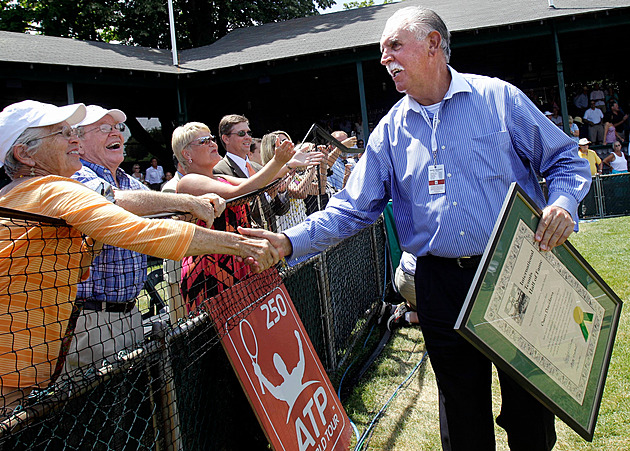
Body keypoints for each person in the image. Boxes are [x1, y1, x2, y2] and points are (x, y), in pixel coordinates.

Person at [241, 7, 591, 450]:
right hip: (439, 283)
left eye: (393, 46)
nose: (384, 58)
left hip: (514, 269)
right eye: (382, 50)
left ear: (432, 44)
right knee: (462, 416)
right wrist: (291, 240)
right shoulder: (390, 131)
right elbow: (352, 208)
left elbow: (564, 160)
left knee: (529, 412)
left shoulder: (499, 99)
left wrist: (561, 203)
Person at [0, 100, 280, 407]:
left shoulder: (20, 194)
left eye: (74, 131)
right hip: (15, 369)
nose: (74, 139)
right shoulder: (52, 189)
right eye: (62, 133)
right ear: (24, 154)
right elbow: (138, 232)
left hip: (25, 369)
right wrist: (240, 245)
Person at [65, 105, 275, 375]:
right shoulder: (77, 177)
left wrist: (189, 213)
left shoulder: (130, 182)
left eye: (117, 128)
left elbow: (165, 222)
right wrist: (190, 203)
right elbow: (110, 201)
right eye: (104, 129)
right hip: (92, 317)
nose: (115, 134)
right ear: (79, 142)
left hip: (130, 313)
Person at [172, 122, 312, 310]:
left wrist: (289, 164)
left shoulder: (217, 178)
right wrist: (278, 161)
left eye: (212, 139)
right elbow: (241, 191)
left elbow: (258, 182)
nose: (213, 144)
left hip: (235, 262)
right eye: (205, 141)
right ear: (186, 154)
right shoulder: (189, 182)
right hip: (209, 271)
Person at [214, 114, 291, 232]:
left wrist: (280, 191)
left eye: (248, 133)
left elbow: (279, 210)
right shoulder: (219, 171)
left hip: (271, 237)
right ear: (226, 139)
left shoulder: (258, 168)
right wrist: (287, 165)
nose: (248, 137)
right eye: (241, 133)